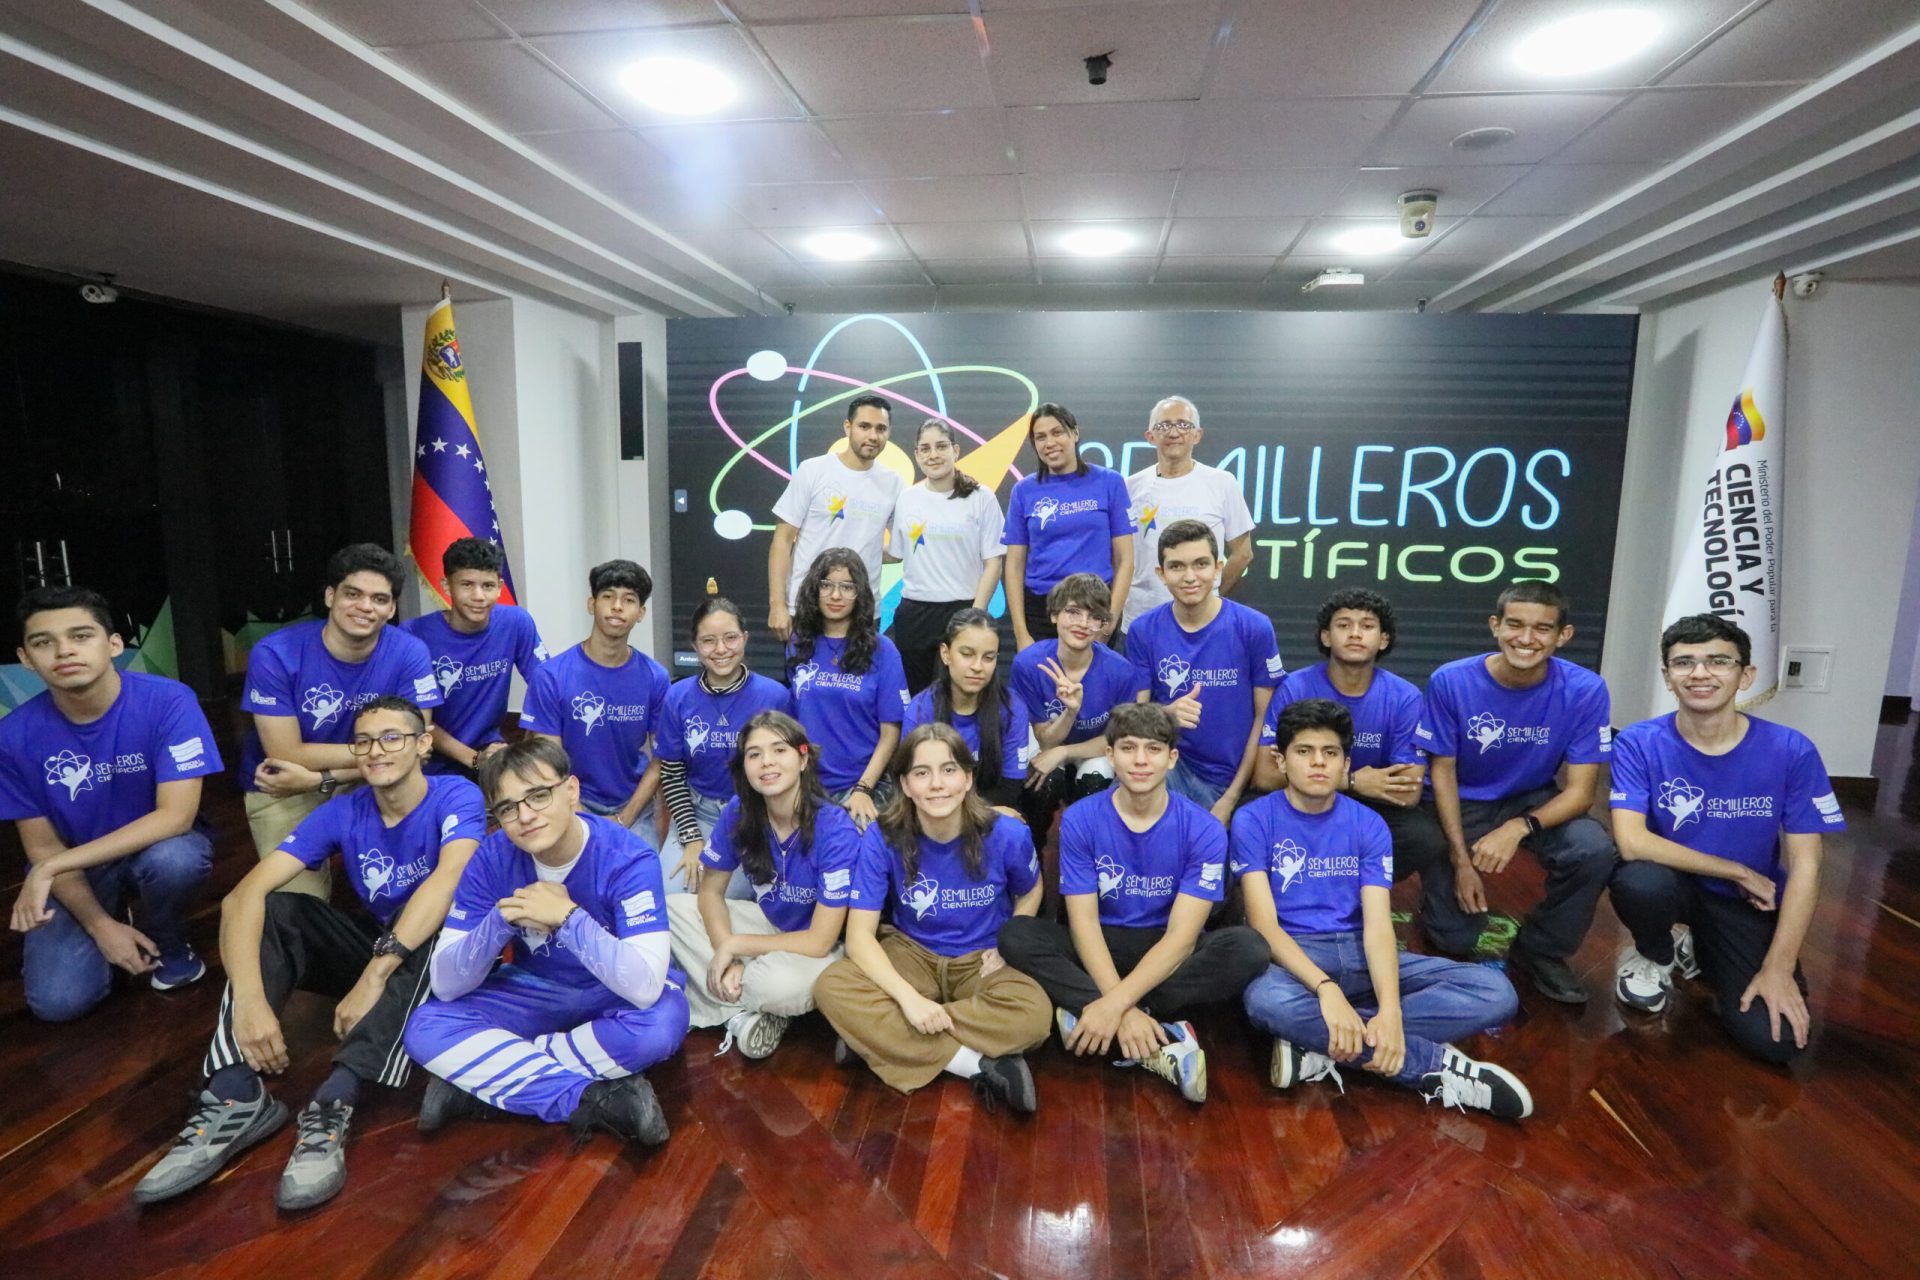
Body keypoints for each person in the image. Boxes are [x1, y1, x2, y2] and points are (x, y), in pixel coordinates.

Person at [133, 698, 484, 1210]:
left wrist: (373, 976)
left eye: (392, 737)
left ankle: (334, 1101)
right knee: (279, 909)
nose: (375, 751)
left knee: (435, 932)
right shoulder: (343, 810)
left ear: (423, 744)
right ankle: (235, 1091)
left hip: (452, 962)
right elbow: (242, 898)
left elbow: (448, 880)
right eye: (364, 741)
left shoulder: (456, 796)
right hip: (380, 948)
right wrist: (251, 1003)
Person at [1237, 699, 1530, 1119]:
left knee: (1497, 992)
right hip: (1294, 959)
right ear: (1281, 761)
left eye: (1330, 753)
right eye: (1304, 752)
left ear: (1345, 764)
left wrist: (1390, 1011)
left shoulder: (1368, 824)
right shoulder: (1254, 820)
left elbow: (1378, 926)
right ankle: (1433, 1066)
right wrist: (1326, 990)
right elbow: (1264, 926)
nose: (1318, 763)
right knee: (1264, 1000)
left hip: (1360, 951)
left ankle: (1323, 1046)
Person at [403, 738, 690, 1145]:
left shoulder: (629, 857)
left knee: (661, 1026)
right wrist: (501, 919)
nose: (525, 816)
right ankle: (596, 1100)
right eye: (507, 808)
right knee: (426, 1028)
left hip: (612, 995)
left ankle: (491, 1076)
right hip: (534, 991)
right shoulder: (490, 856)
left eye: (538, 796)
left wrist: (568, 919)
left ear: (571, 790)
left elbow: (643, 988)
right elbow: (448, 983)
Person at [998, 703, 1270, 1104]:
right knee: (1016, 934)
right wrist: (1122, 1009)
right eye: (1128, 748)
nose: (1140, 760)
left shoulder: (1206, 830)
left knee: (1249, 949)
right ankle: (1151, 1030)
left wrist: (1114, 1006)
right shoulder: (1080, 819)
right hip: (1100, 943)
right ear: (1109, 756)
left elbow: (1181, 939)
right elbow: (1084, 924)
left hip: (1163, 948)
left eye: (1153, 749)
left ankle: (1091, 1013)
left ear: (1171, 758)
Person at [1608, 615, 1844, 1065]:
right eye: (1684, 662)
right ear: (1667, 677)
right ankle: (1656, 953)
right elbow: (1632, 843)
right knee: (1638, 881)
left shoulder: (1791, 749)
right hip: (1674, 884)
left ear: (1746, 675)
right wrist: (1735, 869)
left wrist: (1778, 967)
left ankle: (1701, 949)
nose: (1700, 674)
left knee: (1773, 1043)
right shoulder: (1639, 742)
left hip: (1743, 904)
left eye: (1718, 661)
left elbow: (1808, 866)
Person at [2, 586, 220, 1018]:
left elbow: (177, 817)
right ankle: (113, 918)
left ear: (114, 644)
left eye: (81, 636)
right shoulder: (12, 737)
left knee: (178, 858)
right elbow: (45, 848)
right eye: (43, 642)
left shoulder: (169, 701)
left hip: (156, 848)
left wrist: (47, 869)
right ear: (25, 659)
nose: (64, 651)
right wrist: (100, 927)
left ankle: (168, 936)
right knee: (57, 1004)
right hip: (78, 866)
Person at [813, 724, 1050, 1113]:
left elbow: (1032, 890)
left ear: (968, 778)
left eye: (949, 770)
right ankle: (975, 1064)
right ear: (905, 785)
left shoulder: (1007, 833)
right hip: (911, 954)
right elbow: (858, 937)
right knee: (830, 986)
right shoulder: (882, 836)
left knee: (1035, 1015)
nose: (937, 784)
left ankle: (878, 1037)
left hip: (983, 957)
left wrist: (1013, 938)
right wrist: (908, 1000)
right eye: (922, 773)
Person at [1414, 581, 1616, 1004]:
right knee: (1454, 937)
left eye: (1542, 629)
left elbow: (1580, 794)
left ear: (1564, 635)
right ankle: (1438, 896)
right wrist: (1461, 860)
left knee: (1592, 847)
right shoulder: (1451, 680)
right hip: (1461, 801)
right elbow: (1442, 775)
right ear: (1495, 626)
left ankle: (1542, 949)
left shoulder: (1586, 690)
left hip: (1531, 798)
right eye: (1515, 625)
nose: (1526, 639)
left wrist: (1517, 828)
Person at [241, 543, 441, 901]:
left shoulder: (410, 652)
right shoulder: (274, 654)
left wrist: (324, 778)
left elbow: (414, 748)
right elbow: (284, 751)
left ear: (392, 608)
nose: (366, 607)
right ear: (330, 596)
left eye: (380, 599)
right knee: (296, 909)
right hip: (286, 787)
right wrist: (384, 750)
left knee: (419, 883)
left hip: (372, 778)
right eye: (353, 594)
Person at [665, 711, 859, 1059]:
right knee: (671, 908)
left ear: (802, 758)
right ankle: (742, 1014)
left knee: (774, 984)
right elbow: (710, 892)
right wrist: (729, 950)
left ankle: (721, 998)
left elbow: (821, 939)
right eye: (754, 754)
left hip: (821, 950)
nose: (766, 762)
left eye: (779, 750)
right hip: (769, 925)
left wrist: (734, 946)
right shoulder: (740, 811)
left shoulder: (835, 828)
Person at [1251, 589, 1446, 892]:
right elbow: (1265, 775)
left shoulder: (1404, 696)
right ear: (1326, 637)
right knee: (1245, 819)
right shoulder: (1295, 687)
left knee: (1424, 838)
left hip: (1369, 805)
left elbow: (1408, 791)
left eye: (1367, 626)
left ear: (1384, 639)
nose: (1355, 634)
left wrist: (1356, 789)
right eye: (1343, 625)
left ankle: (1345, 892)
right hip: (1305, 797)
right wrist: (1351, 781)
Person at [1125, 519, 1284, 823]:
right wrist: (1166, 714)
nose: (1189, 577)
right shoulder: (1143, 630)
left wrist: (1230, 799)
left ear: (1218, 567)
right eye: (1176, 566)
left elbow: (1265, 719)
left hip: (1235, 780)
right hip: (1170, 770)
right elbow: (1135, 718)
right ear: (1161, 574)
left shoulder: (1253, 627)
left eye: (1200, 564)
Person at [517, 559, 668, 846]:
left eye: (629, 600)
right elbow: (548, 761)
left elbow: (660, 759)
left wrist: (625, 817)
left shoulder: (655, 677)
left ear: (641, 613)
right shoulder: (551, 676)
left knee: (642, 883)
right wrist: (579, 814)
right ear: (591, 604)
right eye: (608, 596)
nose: (617, 607)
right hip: (566, 803)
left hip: (632, 807)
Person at [657, 597, 795, 898]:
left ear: (744, 638)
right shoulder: (677, 697)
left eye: (730, 638)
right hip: (697, 814)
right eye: (708, 641)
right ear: (695, 645)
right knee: (670, 896)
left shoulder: (775, 696)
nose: (721, 650)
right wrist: (692, 838)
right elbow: (671, 772)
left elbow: (790, 768)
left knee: (726, 900)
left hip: (754, 818)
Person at [1009, 573, 1147, 837]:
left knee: (1094, 784)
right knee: (1043, 782)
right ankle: (1033, 855)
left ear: (1103, 625)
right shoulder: (1028, 664)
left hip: (1094, 747)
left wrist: (1065, 753)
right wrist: (1071, 711)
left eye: (1094, 616)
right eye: (1073, 612)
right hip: (1048, 742)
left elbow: (1117, 740)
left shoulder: (1121, 672)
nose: (1083, 624)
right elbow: (1047, 742)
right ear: (1054, 615)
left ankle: (1084, 853)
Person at [402, 536, 547, 777]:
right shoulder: (413, 635)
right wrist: (475, 760)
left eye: (488, 586)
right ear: (446, 586)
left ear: (500, 587)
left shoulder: (516, 622)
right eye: (467, 585)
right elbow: (413, 719)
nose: (479, 596)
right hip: (429, 763)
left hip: (492, 753)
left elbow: (547, 686)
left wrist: (526, 748)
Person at [785, 550, 908, 830]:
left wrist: (863, 789)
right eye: (826, 585)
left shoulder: (883, 650)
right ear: (814, 591)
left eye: (847, 587)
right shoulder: (798, 644)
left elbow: (891, 734)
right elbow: (794, 725)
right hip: (806, 787)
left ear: (860, 594)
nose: (836, 595)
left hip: (865, 787)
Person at [768, 393, 903, 642]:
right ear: (847, 427)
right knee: (804, 682)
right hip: (808, 606)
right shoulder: (813, 471)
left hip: (863, 610)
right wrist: (777, 605)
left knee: (861, 681)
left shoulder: (894, 483)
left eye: (881, 428)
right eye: (864, 426)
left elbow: (901, 548)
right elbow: (782, 541)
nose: (873, 436)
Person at [1120, 396, 1255, 645]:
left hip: (1204, 623)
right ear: (1150, 436)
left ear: (1197, 435)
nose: (1173, 432)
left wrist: (1207, 595)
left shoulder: (1222, 482)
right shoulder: (1129, 487)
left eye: (1183, 425)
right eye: (1163, 426)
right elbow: (1119, 555)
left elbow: (1242, 554)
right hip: (1141, 621)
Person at [887, 419, 1006, 692]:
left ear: (956, 450)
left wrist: (975, 616)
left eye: (941, 446)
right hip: (914, 615)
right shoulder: (907, 498)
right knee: (917, 698)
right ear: (916, 455)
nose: (933, 455)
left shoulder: (981, 497)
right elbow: (895, 554)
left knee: (960, 699)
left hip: (962, 611)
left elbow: (993, 563)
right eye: (925, 449)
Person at [1002, 403, 1133, 649]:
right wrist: (1021, 633)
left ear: (1074, 433)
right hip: (1040, 613)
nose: (1049, 442)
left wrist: (1109, 622)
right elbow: (1014, 565)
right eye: (1040, 437)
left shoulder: (1110, 482)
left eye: (1057, 432)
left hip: (1094, 610)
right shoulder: (1023, 491)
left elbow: (1125, 560)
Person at [902, 609, 1031, 808]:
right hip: (935, 810)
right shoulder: (920, 710)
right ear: (946, 654)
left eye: (988, 658)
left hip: (992, 810)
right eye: (967, 654)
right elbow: (914, 784)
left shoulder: (1012, 707)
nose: (978, 666)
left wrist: (977, 818)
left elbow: (1010, 786)